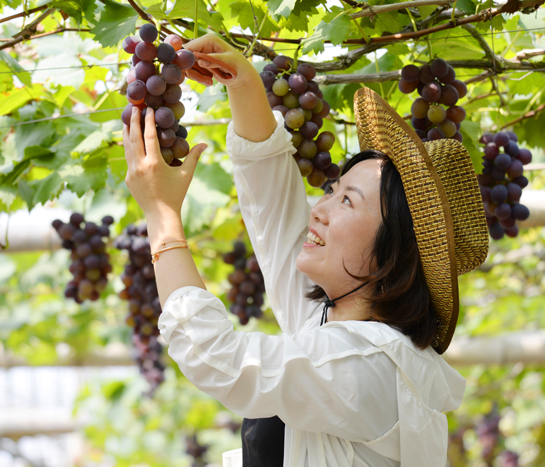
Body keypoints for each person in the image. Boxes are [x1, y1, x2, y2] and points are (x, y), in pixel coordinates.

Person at [121, 33, 489, 467]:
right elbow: (271, 204)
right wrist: (242, 83)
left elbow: (213, 355)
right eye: (332, 191)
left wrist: (163, 216)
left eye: (348, 200)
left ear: (392, 253)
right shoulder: (327, 325)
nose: (321, 209)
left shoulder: (367, 365)